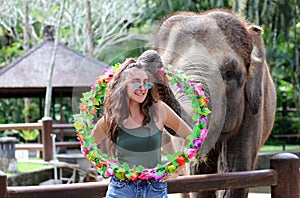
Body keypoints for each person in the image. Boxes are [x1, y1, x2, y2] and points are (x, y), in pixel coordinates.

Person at [91, 50, 192, 198]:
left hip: (155, 189)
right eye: (136, 82)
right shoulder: (114, 115)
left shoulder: (159, 109)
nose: (143, 88)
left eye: (146, 83)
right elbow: (88, 144)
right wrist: (103, 166)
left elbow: (191, 136)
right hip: (121, 189)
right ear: (124, 85)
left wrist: (177, 169)